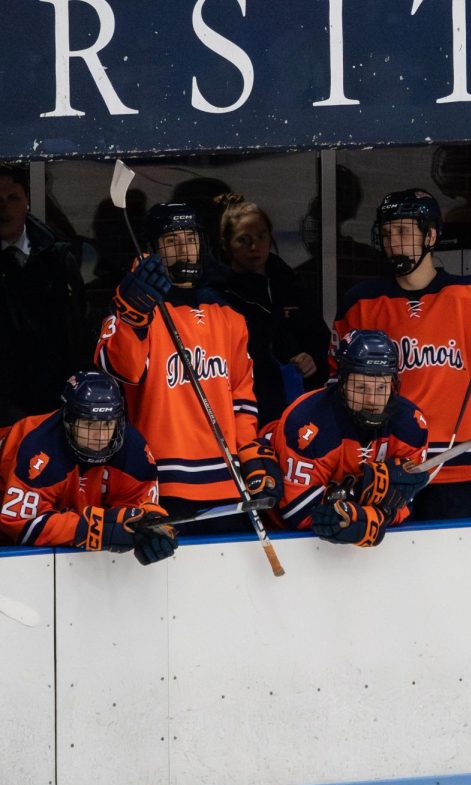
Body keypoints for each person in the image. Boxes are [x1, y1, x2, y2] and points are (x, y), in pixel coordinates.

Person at [330, 189, 471, 520]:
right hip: (388, 466)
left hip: (458, 463)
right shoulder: (360, 302)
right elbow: (338, 386)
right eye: (388, 233)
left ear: (431, 235)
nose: (394, 242)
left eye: (404, 231)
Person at [95, 202, 274, 528]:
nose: (183, 249)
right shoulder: (135, 308)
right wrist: (132, 314)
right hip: (161, 481)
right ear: (152, 249)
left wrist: (250, 455)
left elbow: (242, 399)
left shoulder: (228, 313)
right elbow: (120, 370)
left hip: (226, 479)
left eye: (189, 239)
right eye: (171, 240)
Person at [266, 330, 429, 545]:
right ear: (342, 383)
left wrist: (369, 517)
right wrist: (368, 496)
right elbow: (298, 512)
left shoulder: (411, 425)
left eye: (381, 387)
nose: (372, 400)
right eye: (361, 387)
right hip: (286, 541)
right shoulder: (306, 422)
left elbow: (405, 505)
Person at [0, 372, 176, 563]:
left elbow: (139, 509)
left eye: (108, 423)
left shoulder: (134, 450)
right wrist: (97, 532)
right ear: (69, 420)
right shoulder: (38, 445)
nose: (100, 437)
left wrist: (154, 528)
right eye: (90, 424)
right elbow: (21, 526)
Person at [216, 194, 330, 425]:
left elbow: (320, 340)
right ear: (226, 245)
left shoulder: (292, 283)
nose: (255, 247)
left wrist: (312, 361)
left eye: (261, 236)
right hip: (246, 411)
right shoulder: (220, 295)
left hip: (300, 410)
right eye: (243, 239)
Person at [0, 163, 92, 426]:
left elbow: (76, 331)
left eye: (13, 197)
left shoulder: (57, 257)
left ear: (27, 201)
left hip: (52, 404)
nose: (4, 207)